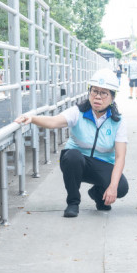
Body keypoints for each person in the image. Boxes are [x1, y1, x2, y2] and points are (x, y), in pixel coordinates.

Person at [14, 68, 128, 218]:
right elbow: (54, 122)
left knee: (121, 188)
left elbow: (120, 156)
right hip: (75, 161)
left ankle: (98, 194)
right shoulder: (77, 112)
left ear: (112, 97)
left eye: (103, 93)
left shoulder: (117, 122)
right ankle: (73, 203)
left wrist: (112, 187)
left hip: (101, 163)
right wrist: (33, 118)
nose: (97, 97)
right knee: (73, 156)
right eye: (94, 91)